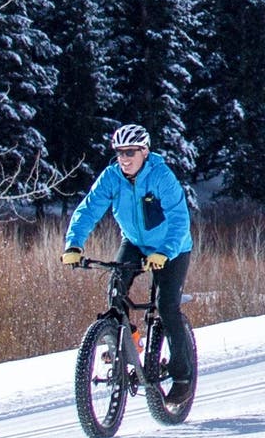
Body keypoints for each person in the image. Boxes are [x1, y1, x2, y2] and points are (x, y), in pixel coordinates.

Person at [62, 121, 194, 378]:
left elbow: (179, 220)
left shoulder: (161, 176)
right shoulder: (111, 178)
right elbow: (88, 210)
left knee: (166, 306)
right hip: (134, 242)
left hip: (172, 247)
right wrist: (74, 244)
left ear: (144, 152)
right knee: (115, 291)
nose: (124, 158)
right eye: (119, 152)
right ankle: (127, 344)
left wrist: (165, 251)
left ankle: (181, 374)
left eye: (130, 152)